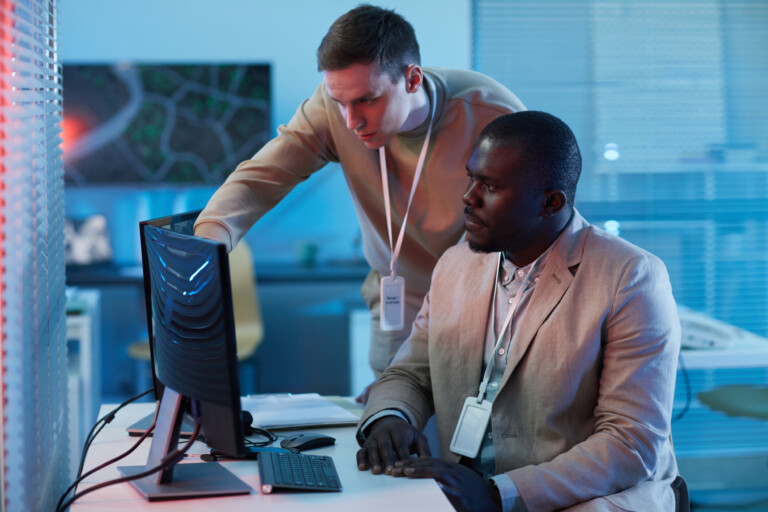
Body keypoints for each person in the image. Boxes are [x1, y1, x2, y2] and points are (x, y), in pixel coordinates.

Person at [355, 111, 681, 511]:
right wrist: (391, 417)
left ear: (550, 202)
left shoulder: (630, 277)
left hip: (585, 497)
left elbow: (630, 443)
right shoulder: (456, 264)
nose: (469, 196)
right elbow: (410, 373)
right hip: (468, 493)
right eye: (471, 177)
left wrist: (499, 492)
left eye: (490, 186)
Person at [193, 5, 525, 383]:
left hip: (482, 299)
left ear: (412, 79)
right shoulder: (334, 108)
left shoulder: (493, 117)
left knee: (469, 427)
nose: (351, 122)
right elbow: (259, 179)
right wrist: (208, 247)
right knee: (389, 423)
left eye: (368, 100)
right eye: (340, 103)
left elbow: (531, 227)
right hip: (397, 298)